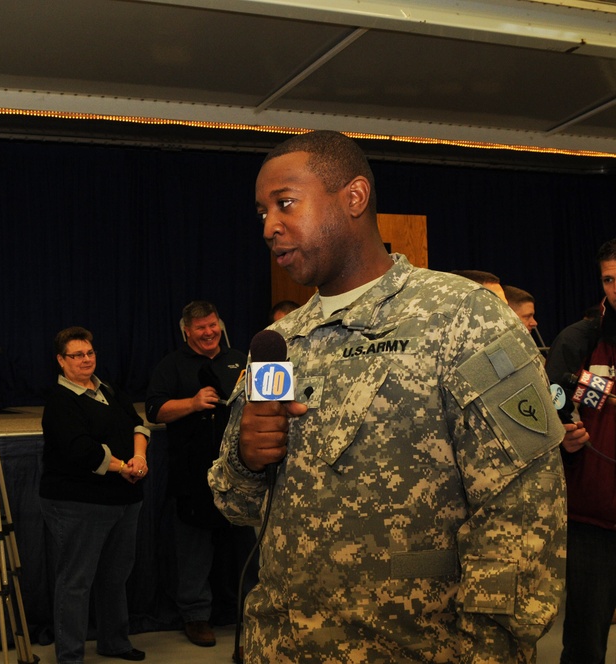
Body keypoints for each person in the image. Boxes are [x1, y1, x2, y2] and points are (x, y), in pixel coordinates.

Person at [209, 130, 566, 662]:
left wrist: (491, 646)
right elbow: (236, 504)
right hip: (281, 644)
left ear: (354, 198)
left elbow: (524, 502)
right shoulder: (282, 342)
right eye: (262, 212)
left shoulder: (461, 316)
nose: (269, 227)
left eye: (285, 203)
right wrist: (246, 457)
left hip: (416, 647)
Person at [40, 326, 150, 664]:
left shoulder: (108, 389)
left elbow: (138, 424)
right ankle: (70, 656)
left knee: (115, 576)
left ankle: (114, 642)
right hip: (78, 503)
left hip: (123, 500)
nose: (86, 359)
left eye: (89, 353)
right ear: (61, 361)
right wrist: (123, 467)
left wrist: (140, 457)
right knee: (76, 582)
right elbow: (81, 451)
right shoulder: (59, 401)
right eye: (77, 355)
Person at [145, 301, 246, 648]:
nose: (209, 332)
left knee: (243, 548)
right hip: (193, 475)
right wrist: (191, 403)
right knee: (194, 550)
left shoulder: (240, 360)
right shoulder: (171, 365)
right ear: (186, 331)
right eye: (200, 328)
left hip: (241, 473)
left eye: (213, 324)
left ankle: (245, 612)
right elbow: (154, 410)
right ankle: (196, 616)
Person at [545, 238, 616, 664]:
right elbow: (549, 401)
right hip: (592, 522)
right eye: (609, 279)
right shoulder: (581, 339)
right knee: (586, 644)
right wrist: (565, 436)